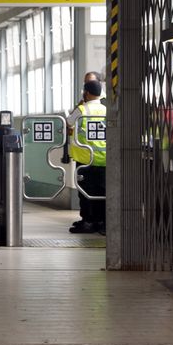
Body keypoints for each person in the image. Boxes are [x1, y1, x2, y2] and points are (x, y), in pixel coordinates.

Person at [64, 80, 107, 235]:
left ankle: (88, 222)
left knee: (85, 191)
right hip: (104, 158)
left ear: (87, 93)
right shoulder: (106, 110)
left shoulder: (81, 109)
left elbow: (68, 123)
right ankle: (102, 223)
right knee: (103, 192)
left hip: (86, 159)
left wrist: (78, 106)